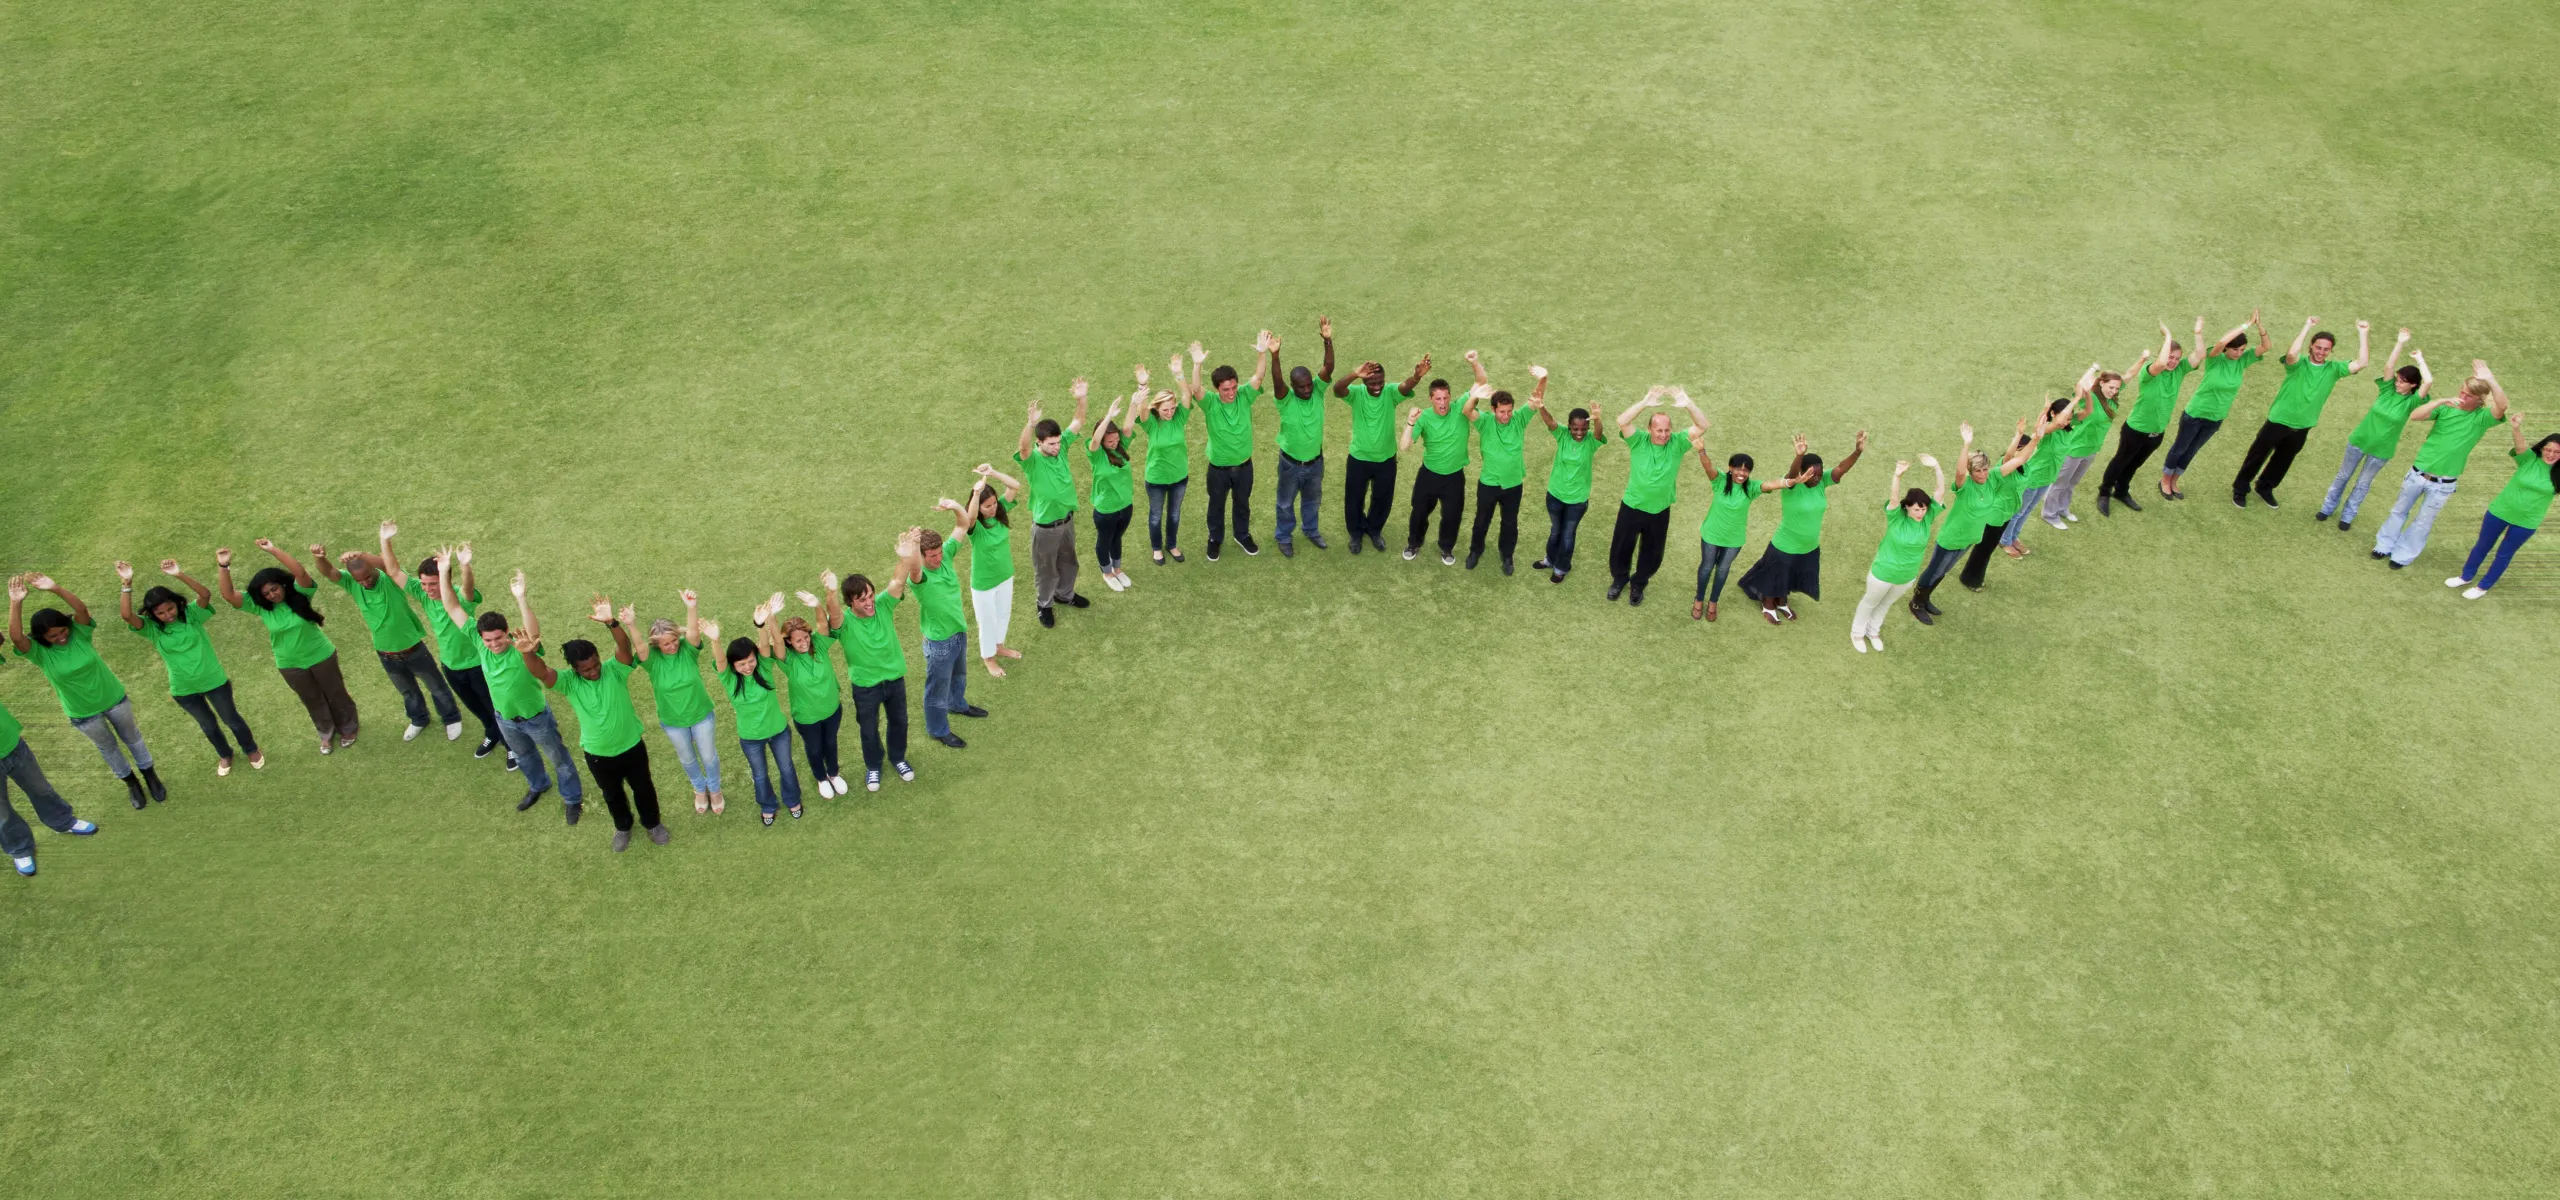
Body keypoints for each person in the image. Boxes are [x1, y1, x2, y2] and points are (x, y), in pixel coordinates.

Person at [432, 553, 582, 818]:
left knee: (559, 759)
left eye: (498, 638)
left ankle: (572, 798)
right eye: (488, 640)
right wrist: (444, 571)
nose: (493, 644)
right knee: (524, 758)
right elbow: (452, 607)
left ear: (507, 633)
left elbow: (533, 633)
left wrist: (521, 597)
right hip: (505, 719)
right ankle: (538, 785)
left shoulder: (521, 647)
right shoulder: (480, 643)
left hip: (536, 718)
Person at [521, 597, 670, 852]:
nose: (593, 671)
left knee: (643, 788)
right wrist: (527, 652)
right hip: (598, 754)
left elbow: (623, 645)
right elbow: (541, 672)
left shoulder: (615, 669)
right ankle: (623, 827)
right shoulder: (568, 682)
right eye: (586, 670)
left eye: (595, 665)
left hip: (632, 746)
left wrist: (611, 622)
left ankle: (653, 824)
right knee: (612, 795)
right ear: (575, 669)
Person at [8, 574, 164, 808]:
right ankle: (131, 784)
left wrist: (55, 588)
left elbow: (80, 609)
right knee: (108, 748)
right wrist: (16, 602)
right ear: (42, 637)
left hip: (114, 700)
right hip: (83, 713)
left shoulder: (80, 633)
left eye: (63, 631)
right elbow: (16, 637)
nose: (61, 637)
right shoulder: (39, 653)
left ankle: (150, 775)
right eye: (54, 636)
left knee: (133, 738)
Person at [311, 520, 463, 743]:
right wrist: (320, 558)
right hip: (385, 652)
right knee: (407, 692)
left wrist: (362, 552)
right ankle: (419, 719)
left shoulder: (390, 579)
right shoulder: (353, 583)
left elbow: (386, 564)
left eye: (367, 577)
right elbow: (330, 573)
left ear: (373, 571)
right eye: (359, 580)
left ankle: (451, 718)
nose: (364, 582)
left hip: (413, 647)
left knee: (436, 686)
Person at [120, 558, 261, 775]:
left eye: (170, 608)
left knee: (231, 720)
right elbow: (127, 615)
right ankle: (225, 754)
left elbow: (205, 595)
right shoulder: (152, 630)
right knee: (208, 726)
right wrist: (127, 584)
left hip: (215, 681)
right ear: (152, 615)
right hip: (184, 690)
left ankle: (250, 749)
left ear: (177, 604)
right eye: (161, 613)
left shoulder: (192, 616)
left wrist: (179, 574)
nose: (168, 615)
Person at [223, 540, 358, 753]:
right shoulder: (262, 608)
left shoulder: (300, 593)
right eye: (266, 594)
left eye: (274, 589)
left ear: (282, 584)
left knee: (336, 693)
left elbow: (301, 573)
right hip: (290, 664)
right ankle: (326, 734)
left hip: (321, 655)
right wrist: (224, 567)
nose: (272, 595)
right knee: (311, 700)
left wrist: (272, 549)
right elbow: (229, 595)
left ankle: (348, 727)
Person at [2375, 363, 2509, 569]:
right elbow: (2415, 415)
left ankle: (2402, 555)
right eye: (2462, 392)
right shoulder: (2445, 408)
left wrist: (2490, 379)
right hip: (2418, 473)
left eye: (2469, 395)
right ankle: (2383, 545)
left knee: (2423, 522)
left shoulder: (2482, 418)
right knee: (2398, 510)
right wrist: (2441, 401)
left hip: (2443, 483)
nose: (2463, 397)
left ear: (2479, 399)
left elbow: (2502, 406)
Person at [2232, 317, 2370, 508]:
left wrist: (2363, 333)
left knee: (2283, 461)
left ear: (2330, 351)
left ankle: (2265, 487)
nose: (2321, 352)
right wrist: (2307, 326)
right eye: (2318, 347)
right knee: (2257, 456)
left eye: (2326, 349)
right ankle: (2240, 488)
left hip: (2303, 425)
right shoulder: (2298, 364)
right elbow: (2291, 354)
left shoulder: (2334, 369)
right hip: (2278, 420)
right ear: (2311, 346)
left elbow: (2362, 363)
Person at [1739, 431, 1867, 623]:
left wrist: (1857, 451)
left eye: (1819, 473)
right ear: (1803, 472)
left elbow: (1841, 468)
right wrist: (1799, 455)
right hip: (1786, 543)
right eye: (1812, 474)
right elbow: (1791, 474)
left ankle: (1781, 601)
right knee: (1776, 575)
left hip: (1809, 545)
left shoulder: (1822, 482)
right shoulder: (1793, 484)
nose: (1817, 477)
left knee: (1791, 576)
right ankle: (1767, 604)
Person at [1913, 424, 2030, 622]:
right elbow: (1959, 472)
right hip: (1951, 538)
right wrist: (1966, 444)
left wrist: (2035, 437)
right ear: (1971, 471)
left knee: (1945, 570)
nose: (1983, 474)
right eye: (1978, 471)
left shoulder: (1993, 478)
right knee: (1934, 570)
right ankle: (1916, 602)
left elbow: (2020, 459)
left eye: (1985, 469)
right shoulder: (1965, 485)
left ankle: (1926, 599)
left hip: (1969, 539)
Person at [1607, 387, 1709, 604]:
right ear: (1650, 430)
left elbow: (1702, 425)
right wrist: (1645, 401)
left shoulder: (1678, 443)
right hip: (1632, 506)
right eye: (1659, 430)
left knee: (1652, 553)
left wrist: (1688, 402)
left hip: (1660, 510)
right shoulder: (1638, 441)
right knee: (1621, 547)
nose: (1663, 435)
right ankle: (1619, 580)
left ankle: (1638, 584)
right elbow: (1622, 421)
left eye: (1667, 430)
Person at [841, 530, 924, 790]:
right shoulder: (844, 622)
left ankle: (898, 758)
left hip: (894, 679)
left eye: (869, 595)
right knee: (869, 729)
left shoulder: (883, 604)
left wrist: (905, 556)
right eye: (862, 599)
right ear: (850, 603)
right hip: (866, 686)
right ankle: (873, 766)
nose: (869, 602)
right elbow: (830, 616)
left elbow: (898, 581)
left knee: (900, 721)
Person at [408, 543, 506, 764]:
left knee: (494, 707)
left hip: (477, 666)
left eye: (433, 584)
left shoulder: (460, 599)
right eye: (424, 584)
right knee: (475, 707)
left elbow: (469, 589)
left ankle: (512, 746)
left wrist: (465, 565)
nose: (428, 589)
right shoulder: (424, 595)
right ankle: (492, 734)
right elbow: (394, 572)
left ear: (445, 580)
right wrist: (385, 540)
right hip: (450, 666)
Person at [2318, 332, 2427, 531]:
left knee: (2362, 484)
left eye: (2403, 381)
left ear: (2412, 385)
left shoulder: (2412, 402)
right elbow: (2388, 367)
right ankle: (2327, 507)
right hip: (2359, 439)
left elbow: (2427, 382)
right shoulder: (2387, 389)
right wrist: (2400, 343)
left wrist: (2420, 360)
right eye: (2397, 379)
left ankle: (2348, 515)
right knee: (2343, 476)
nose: (2397, 382)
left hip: (2381, 450)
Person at [2159, 311, 2265, 498]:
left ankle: (2175, 480)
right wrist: (2247, 323)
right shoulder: (2215, 358)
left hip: (2216, 418)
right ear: (2228, 349)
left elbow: (2266, 346)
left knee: (2192, 451)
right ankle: (2165, 480)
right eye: (2236, 350)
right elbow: (2222, 343)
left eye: (2242, 350)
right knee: (2180, 448)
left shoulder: (2243, 361)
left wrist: (2260, 327)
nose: (2239, 353)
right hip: (2195, 414)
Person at [2447, 419, 2558, 599]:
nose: (2551, 454)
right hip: (2499, 511)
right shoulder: (2529, 459)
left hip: (2527, 522)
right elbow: (2520, 445)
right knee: (2482, 545)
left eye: (2556, 452)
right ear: (2542, 448)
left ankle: (2483, 586)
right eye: (2548, 449)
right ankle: (2465, 576)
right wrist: (2516, 428)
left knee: (2504, 554)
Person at [634, 590, 722, 815]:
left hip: (701, 714)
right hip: (673, 721)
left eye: (674, 640)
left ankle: (715, 790)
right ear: (656, 645)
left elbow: (692, 632)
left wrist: (691, 606)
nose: (672, 646)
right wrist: (631, 624)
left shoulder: (688, 650)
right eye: (666, 644)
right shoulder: (651, 660)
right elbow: (639, 647)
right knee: (688, 759)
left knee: (709, 757)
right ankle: (699, 790)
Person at [2099, 319, 2201, 512]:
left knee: (2135, 464)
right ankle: (2104, 492)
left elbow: (2200, 355)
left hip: (2156, 433)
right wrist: (2168, 336)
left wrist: (2198, 333)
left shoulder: (2179, 371)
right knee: (2121, 461)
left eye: (2177, 358)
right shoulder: (2150, 372)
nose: (2173, 362)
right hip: (2135, 430)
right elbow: (2161, 362)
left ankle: (2121, 491)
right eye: (2170, 356)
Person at [1851, 456, 1946, 652]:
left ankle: (1873, 631)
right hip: (1883, 572)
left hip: (1906, 576)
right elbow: (1894, 499)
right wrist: (1897, 476)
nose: (1921, 513)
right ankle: (1857, 633)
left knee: (1885, 604)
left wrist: (1936, 466)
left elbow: (1940, 491)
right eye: (1917, 509)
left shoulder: (1927, 519)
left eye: (1924, 509)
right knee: (1870, 602)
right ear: (1907, 507)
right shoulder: (1896, 517)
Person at [1334, 353, 1427, 554]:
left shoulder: (1390, 392)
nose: (1377, 386)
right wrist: (1354, 374)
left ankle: (1374, 530)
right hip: (1359, 458)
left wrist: (1416, 377)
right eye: (1372, 382)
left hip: (1386, 459)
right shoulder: (1357, 393)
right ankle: (1356, 534)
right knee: (1354, 499)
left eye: (1380, 381)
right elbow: (1338, 389)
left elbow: (1405, 387)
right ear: (1364, 380)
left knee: (1382, 498)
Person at [0, 695, 101, 877]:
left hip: (12, 744)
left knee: (41, 788)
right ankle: (20, 848)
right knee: (2, 812)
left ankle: (63, 822)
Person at [1015, 382, 1091, 618]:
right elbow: (1023, 447)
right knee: (1046, 570)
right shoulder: (1032, 461)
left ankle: (1065, 594)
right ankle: (1044, 605)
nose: (1057, 447)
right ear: (1040, 443)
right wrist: (1030, 423)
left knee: (1069, 563)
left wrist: (1081, 399)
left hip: (1067, 520)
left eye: (1058, 442)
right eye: (1051, 444)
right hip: (1045, 527)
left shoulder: (1063, 446)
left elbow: (1078, 421)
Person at [910, 519, 985, 751]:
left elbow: (963, 525)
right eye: (932, 555)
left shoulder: (946, 557)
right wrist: (912, 546)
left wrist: (954, 504)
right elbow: (911, 568)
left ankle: (957, 704)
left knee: (959, 675)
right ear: (922, 557)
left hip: (958, 632)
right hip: (940, 643)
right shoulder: (919, 577)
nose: (938, 558)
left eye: (939, 552)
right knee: (936, 689)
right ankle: (937, 729)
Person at [719, 611, 799, 824]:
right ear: (733, 666)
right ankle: (768, 805)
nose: (747, 667)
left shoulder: (763, 667)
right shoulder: (729, 679)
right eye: (741, 664)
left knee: (786, 768)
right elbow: (719, 659)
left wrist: (760, 624)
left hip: (779, 731)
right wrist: (715, 639)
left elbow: (764, 646)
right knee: (760, 775)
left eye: (750, 661)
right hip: (751, 738)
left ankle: (792, 800)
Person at [1190, 339, 1266, 561]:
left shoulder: (1244, 395)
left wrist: (1262, 353)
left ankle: (1242, 535)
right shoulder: (1211, 403)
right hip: (1218, 469)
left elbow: (1259, 376)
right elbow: (1195, 389)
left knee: (1243, 503)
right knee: (1216, 505)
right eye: (1226, 389)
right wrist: (1197, 364)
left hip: (1244, 466)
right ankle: (1215, 539)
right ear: (1217, 389)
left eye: (1233, 387)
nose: (1231, 393)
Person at [774, 580, 848, 799]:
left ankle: (833, 774)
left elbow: (822, 625)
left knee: (831, 742)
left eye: (805, 637)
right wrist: (771, 617)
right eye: (797, 640)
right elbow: (776, 642)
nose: (804, 642)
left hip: (832, 708)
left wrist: (817, 605)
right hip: (807, 716)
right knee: (815, 748)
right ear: (789, 641)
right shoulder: (787, 659)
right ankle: (821, 778)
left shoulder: (819, 645)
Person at [946, 465, 1025, 668]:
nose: (993, 508)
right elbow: (969, 518)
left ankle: (999, 646)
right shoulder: (975, 526)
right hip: (983, 583)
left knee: (1003, 614)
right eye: (987, 506)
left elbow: (1015, 486)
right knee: (987, 621)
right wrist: (977, 492)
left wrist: (993, 473)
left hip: (1005, 575)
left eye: (994, 504)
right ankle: (988, 657)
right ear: (979, 507)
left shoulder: (1000, 512)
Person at [1267, 318, 1334, 555]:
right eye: (1301, 387)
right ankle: (1284, 536)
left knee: (1312, 501)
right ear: (1293, 387)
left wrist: (1328, 341)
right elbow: (1277, 381)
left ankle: (1311, 530)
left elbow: (1328, 367)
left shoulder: (1317, 391)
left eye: (1308, 385)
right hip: (1290, 464)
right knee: (1285, 503)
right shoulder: (1285, 400)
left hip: (1315, 462)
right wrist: (1275, 356)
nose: (1307, 390)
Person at [2042, 359, 2136, 528]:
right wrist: (2092, 368)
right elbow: (2079, 386)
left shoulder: (2112, 399)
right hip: (2075, 448)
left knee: (2072, 482)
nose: (2114, 391)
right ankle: (2049, 514)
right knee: (2060, 483)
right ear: (2101, 383)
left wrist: (2143, 360)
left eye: (2116, 388)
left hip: (2092, 449)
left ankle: (2063, 508)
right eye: (2111, 387)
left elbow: (2129, 375)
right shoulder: (2090, 396)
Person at [1464, 356, 1535, 574]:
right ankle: (1476, 550)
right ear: (1493, 409)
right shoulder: (1485, 422)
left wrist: (1544, 378)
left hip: (1513, 484)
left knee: (1510, 524)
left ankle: (1507, 556)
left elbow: (1536, 399)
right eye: (1502, 411)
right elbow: (1467, 411)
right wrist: (1474, 396)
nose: (1506, 416)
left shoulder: (1519, 419)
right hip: (1489, 483)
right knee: (1481, 521)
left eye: (1509, 411)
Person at [1529, 368, 1601, 584]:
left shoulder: (1591, 442)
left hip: (1577, 500)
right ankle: (1550, 560)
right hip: (1555, 494)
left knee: (1568, 536)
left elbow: (1598, 433)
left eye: (1583, 428)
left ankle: (1561, 568)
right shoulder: (1562, 435)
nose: (1579, 433)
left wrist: (1598, 420)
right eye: (1575, 428)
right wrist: (1541, 406)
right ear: (1569, 426)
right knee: (1555, 532)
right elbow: (1550, 422)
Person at [1959, 419, 2045, 591]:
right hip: (1995, 514)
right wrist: (2020, 434)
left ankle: (1971, 575)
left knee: (1987, 547)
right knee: (1984, 548)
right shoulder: (2005, 465)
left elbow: (2025, 455)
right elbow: (2009, 455)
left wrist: (2037, 437)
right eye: (2027, 451)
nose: (2031, 453)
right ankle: (1970, 579)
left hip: (2007, 512)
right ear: (2017, 450)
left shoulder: (2025, 467)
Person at [1399, 372, 1472, 565]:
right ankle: (1414, 544)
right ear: (1431, 399)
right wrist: (1410, 422)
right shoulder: (1423, 417)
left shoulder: (1460, 408)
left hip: (1454, 477)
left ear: (1450, 397)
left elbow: (1479, 384)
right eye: (1438, 398)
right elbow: (1404, 446)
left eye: (1446, 398)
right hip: (1429, 475)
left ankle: (1446, 548)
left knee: (1452, 516)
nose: (1443, 403)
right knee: (1419, 512)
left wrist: (1473, 364)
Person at [1999, 391, 2083, 558]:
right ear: (2053, 414)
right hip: (2033, 477)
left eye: (2069, 418)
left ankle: (2014, 537)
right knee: (2019, 511)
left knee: (2028, 510)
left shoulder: (2067, 431)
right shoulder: (2048, 430)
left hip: (2046, 478)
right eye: (2064, 417)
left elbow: (2084, 414)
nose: (2066, 421)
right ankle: (2005, 540)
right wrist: (2077, 398)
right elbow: (2052, 424)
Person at [1135, 362, 1194, 566]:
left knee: (1175, 514)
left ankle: (1172, 544)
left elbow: (1187, 396)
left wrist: (1179, 374)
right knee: (1155, 516)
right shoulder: (1151, 423)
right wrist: (1142, 386)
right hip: (1156, 479)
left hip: (1179, 477)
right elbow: (1142, 409)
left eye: (1172, 408)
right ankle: (1157, 548)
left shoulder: (1179, 418)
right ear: (1157, 409)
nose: (1169, 413)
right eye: (1165, 410)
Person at [1087, 390, 1139, 591]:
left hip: (1126, 505)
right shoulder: (1096, 454)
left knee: (1118, 538)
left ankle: (1117, 569)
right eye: (1109, 441)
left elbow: (1128, 427)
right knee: (1105, 541)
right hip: (1106, 509)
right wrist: (1108, 416)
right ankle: (1107, 573)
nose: (1114, 443)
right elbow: (1094, 440)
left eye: (1115, 439)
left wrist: (1134, 403)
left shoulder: (1120, 445)